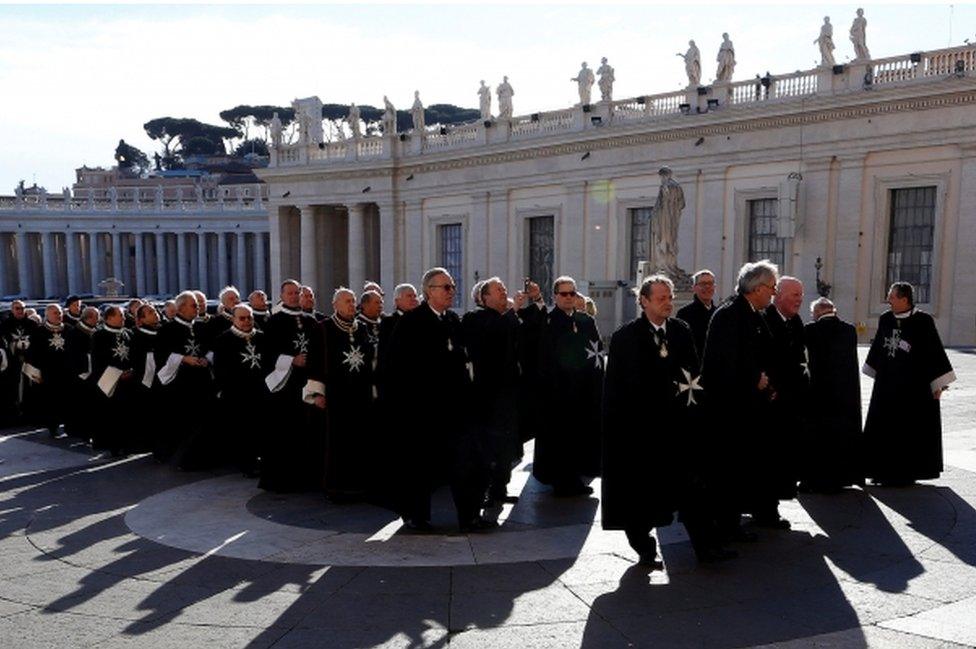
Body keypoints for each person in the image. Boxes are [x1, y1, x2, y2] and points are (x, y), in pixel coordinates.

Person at [602, 275, 735, 565]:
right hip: (643, 433)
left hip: (679, 428)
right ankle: (644, 547)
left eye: (670, 297)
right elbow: (619, 390)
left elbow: (692, 374)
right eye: (660, 298)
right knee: (641, 497)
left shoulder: (681, 331)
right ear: (644, 301)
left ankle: (706, 547)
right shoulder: (626, 337)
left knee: (693, 489)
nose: (667, 303)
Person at [387, 267, 490, 532]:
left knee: (467, 462)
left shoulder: (453, 321)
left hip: (456, 410)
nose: (451, 291)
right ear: (429, 291)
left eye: (453, 286)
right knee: (420, 466)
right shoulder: (411, 322)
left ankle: (469, 516)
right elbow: (397, 369)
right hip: (423, 410)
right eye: (446, 287)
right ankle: (416, 516)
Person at [700, 259, 780, 540]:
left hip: (748, 406)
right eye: (771, 287)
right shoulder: (730, 315)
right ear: (756, 288)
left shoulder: (752, 314)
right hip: (730, 409)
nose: (773, 293)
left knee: (741, 467)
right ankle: (727, 526)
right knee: (728, 470)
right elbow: (723, 363)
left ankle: (734, 521)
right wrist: (754, 379)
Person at [862, 282, 955, 486]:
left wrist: (938, 384)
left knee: (908, 431)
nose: (888, 300)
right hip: (886, 386)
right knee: (883, 429)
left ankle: (906, 472)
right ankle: (880, 470)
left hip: (913, 389)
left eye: (892, 297)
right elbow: (879, 345)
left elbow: (934, 352)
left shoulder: (923, 321)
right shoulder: (886, 318)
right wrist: (873, 368)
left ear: (905, 299)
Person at [534, 276, 604, 496]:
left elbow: (596, 351)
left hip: (582, 390)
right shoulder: (548, 321)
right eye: (564, 294)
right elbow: (544, 357)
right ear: (555, 296)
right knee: (560, 438)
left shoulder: (585, 320)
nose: (568, 298)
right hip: (558, 391)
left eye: (572, 293)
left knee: (579, 436)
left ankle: (575, 478)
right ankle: (561, 480)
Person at [261, 279, 327, 492]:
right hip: (285, 386)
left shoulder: (312, 321)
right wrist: (291, 360)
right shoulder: (274, 321)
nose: (294, 296)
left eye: (297, 292)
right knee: (285, 432)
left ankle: (309, 476)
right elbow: (266, 352)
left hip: (307, 383)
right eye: (289, 293)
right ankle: (283, 480)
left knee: (309, 431)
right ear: (281, 296)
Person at [463, 277, 522, 507]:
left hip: (508, 393)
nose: (504, 292)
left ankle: (500, 488)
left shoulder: (507, 319)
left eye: (504, 288)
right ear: (483, 297)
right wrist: (512, 311)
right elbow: (492, 334)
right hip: (487, 396)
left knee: (507, 445)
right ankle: (485, 490)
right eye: (499, 290)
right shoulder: (475, 318)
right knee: (489, 446)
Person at [761, 276, 810, 522]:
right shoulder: (765, 320)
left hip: (791, 404)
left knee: (784, 459)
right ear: (778, 295)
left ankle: (772, 504)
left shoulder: (796, 321)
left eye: (801, 295)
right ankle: (765, 509)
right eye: (795, 295)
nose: (800, 299)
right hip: (770, 404)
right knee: (768, 460)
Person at [801, 297, 863, 491]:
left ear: (817, 312)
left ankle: (819, 478)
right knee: (842, 436)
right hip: (845, 396)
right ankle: (843, 476)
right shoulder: (849, 330)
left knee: (819, 438)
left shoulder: (810, 330)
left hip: (819, 396)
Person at [321, 288, 376, 502]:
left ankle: (361, 485)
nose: (352, 305)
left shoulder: (361, 328)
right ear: (335, 305)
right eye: (347, 301)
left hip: (360, 393)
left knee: (360, 439)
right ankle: (337, 487)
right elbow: (318, 360)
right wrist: (317, 393)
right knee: (338, 442)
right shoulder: (324, 328)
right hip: (337, 395)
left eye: (353, 301)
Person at [154, 291, 217, 468]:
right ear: (181, 308)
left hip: (202, 380)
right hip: (180, 383)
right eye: (194, 305)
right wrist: (183, 358)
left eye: (198, 305)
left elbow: (211, 348)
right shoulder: (167, 330)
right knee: (184, 422)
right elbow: (162, 355)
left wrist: (207, 358)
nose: (198, 309)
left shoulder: (200, 327)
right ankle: (183, 460)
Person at [212, 304, 269, 477]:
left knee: (262, 428)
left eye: (249, 318)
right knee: (243, 431)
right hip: (237, 394)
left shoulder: (261, 337)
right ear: (234, 319)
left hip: (261, 391)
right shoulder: (224, 340)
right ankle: (246, 464)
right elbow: (220, 369)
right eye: (242, 318)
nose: (246, 321)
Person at [22, 304, 74, 438]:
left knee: (69, 400)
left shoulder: (69, 330)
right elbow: (32, 354)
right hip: (48, 373)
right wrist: (35, 373)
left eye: (60, 312)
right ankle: (53, 427)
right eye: (55, 313)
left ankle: (70, 427)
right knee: (51, 402)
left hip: (67, 372)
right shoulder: (39, 332)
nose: (59, 315)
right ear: (48, 315)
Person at [89, 306, 134, 455]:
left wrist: (132, 370)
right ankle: (113, 446)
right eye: (120, 315)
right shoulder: (99, 336)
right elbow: (98, 360)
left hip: (128, 381)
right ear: (109, 318)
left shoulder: (128, 333)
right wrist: (118, 374)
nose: (124, 318)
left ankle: (127, 444)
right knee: (111, 416)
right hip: (109, 381)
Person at [130, 303, 161, 453]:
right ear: (141, 319)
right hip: (144, 380)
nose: (155, 314)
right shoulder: (136, 335)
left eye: (155, 311)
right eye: (150, 312)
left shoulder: (163, 332)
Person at [0, 300, 38, 423]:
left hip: (29, 360)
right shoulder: (5, 325)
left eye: (22, 308)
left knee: (30, 388)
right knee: (13, 388)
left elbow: (38, 340)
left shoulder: (32, 324)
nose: (20, 311)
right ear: (12, 310)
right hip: (12, 363)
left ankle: (30, 413)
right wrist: (14, 345)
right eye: (17, 308)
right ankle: (13, 415)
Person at [676, 269, 717, 359]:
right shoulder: (684, 313)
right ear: (694, 288)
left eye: (710, 283)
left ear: (715, 287)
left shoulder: (719, 313)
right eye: (702, 284)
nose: (707, 287)